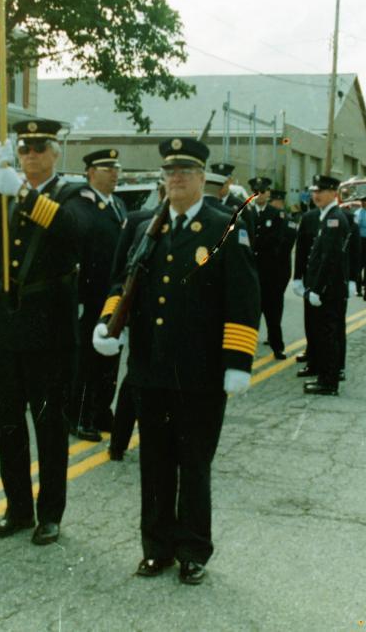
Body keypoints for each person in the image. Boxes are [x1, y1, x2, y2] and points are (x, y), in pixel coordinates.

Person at [93, 137, 259, 585]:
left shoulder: (226, 227)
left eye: (186, 172)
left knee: (194, 464)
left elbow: (243, 300)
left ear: (203, 179)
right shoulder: (142, 225)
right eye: (170, 172)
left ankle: (193, 550)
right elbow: (120, 282)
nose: (177, 179)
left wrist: (238, 361)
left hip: (202, 373)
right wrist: (109, 323)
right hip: (151, 368)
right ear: (161, 179)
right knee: (155, 463)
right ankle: (156, 547)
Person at [0, 119, 83, 545]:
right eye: (24, 148)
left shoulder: (70, 193)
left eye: (39, 148)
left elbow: (75, 231)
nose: (31, 155)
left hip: (47, 324)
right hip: (2, 324)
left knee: (49, 425)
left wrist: (25, 194)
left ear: (54, 153)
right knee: (7, 422)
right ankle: (17, 507)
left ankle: (50, 512)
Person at [69, 149, 126, 441]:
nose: (115, 173)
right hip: (89, 296)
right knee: (86, 361)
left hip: (112, 297)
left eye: (116, 168)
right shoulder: (82, 206)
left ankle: (101, 410)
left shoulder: (117, 204)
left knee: (110, 356)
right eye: (107, 169)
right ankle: (79, 416)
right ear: (91, 173)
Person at [107, 182, 166, 462]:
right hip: (144, 319)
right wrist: (114, 318)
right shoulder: (140, 221)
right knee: (134, 383)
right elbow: (122, 273)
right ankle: (118, 443)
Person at [300, 175, 350, 396]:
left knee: (328, 335)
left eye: (321, 191)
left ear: (333, 193)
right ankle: (324, 375)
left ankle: (328, 382)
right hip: (325, 287)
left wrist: (318, 289)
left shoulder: (334, 218)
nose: (316, 195)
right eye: (314, 191)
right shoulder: (327, 216)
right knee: (323, 334)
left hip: (329, 289)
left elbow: (329, 258)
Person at [254, 186, 295, 360]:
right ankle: (243, 351)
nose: (259, 194)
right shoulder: (246, 212)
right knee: (250, 314)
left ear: (267, 195)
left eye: (262, 191)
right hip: (253, 272)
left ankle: (277, 346)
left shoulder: (278, 215)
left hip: (271, 273)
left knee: (273, 313)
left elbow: (281, 244)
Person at [291, 190, 320, 368]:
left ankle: (332, 361)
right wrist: (297, 277)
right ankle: (311, 351)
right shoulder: (309, 218)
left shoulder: (340, 216)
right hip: (311, 275)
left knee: (330, 323)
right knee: (310, 318)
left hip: (330, 278)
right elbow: (301, 249)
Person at [354, 193, 366, 297]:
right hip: (361, 240)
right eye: (365, 201)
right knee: (359, 264)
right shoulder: (358, 213)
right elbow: (356, 228)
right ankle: (358, 288)